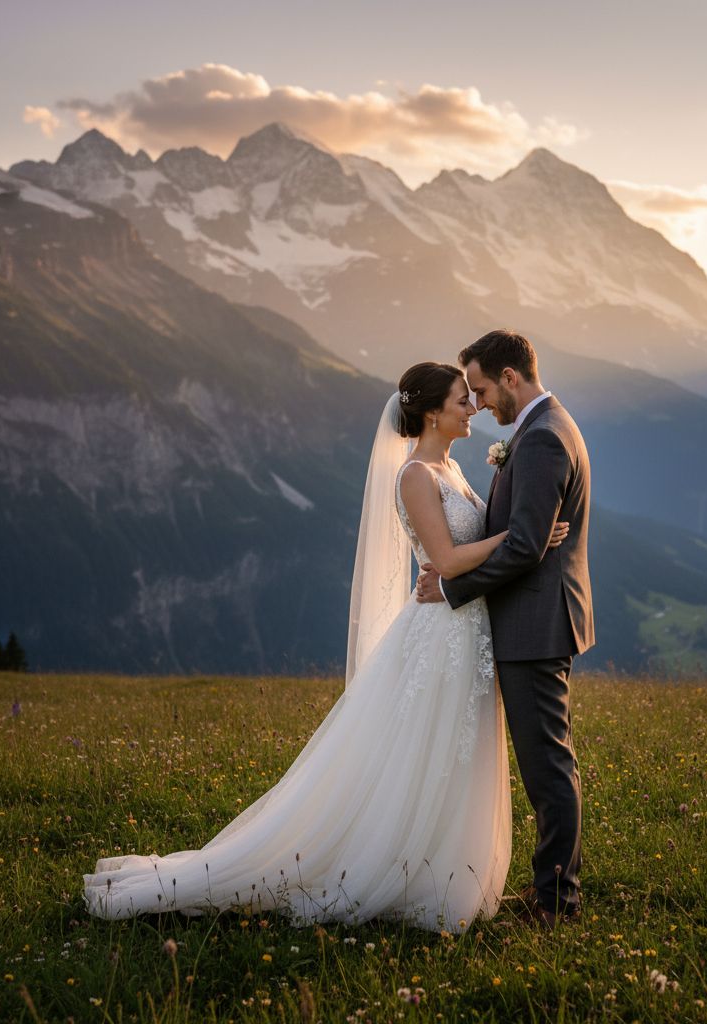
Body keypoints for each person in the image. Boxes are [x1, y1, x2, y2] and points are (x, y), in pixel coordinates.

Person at [82, 361, 569, 932]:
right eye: (463, 400)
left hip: (465, 629)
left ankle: (441, 870)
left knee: (455, 758)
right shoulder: (415, 475)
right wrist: (520, 537)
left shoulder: (451, 467)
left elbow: (460, 555)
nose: (473, 408)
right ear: (433, 412)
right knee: (428, 754)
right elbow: (450, 560)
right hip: (441, 636)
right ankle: (403, 873)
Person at [416, 329, 594, 927]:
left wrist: (449, 587)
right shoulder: (545, 428)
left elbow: (523, 548)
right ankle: (552, 890)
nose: (481, 402)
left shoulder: (542, 439)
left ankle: (555, 904)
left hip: (535, 625)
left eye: (485, 389)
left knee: (547, 767)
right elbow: (523, 539)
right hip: (531, 622)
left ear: (512, 377)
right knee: (546, 764)